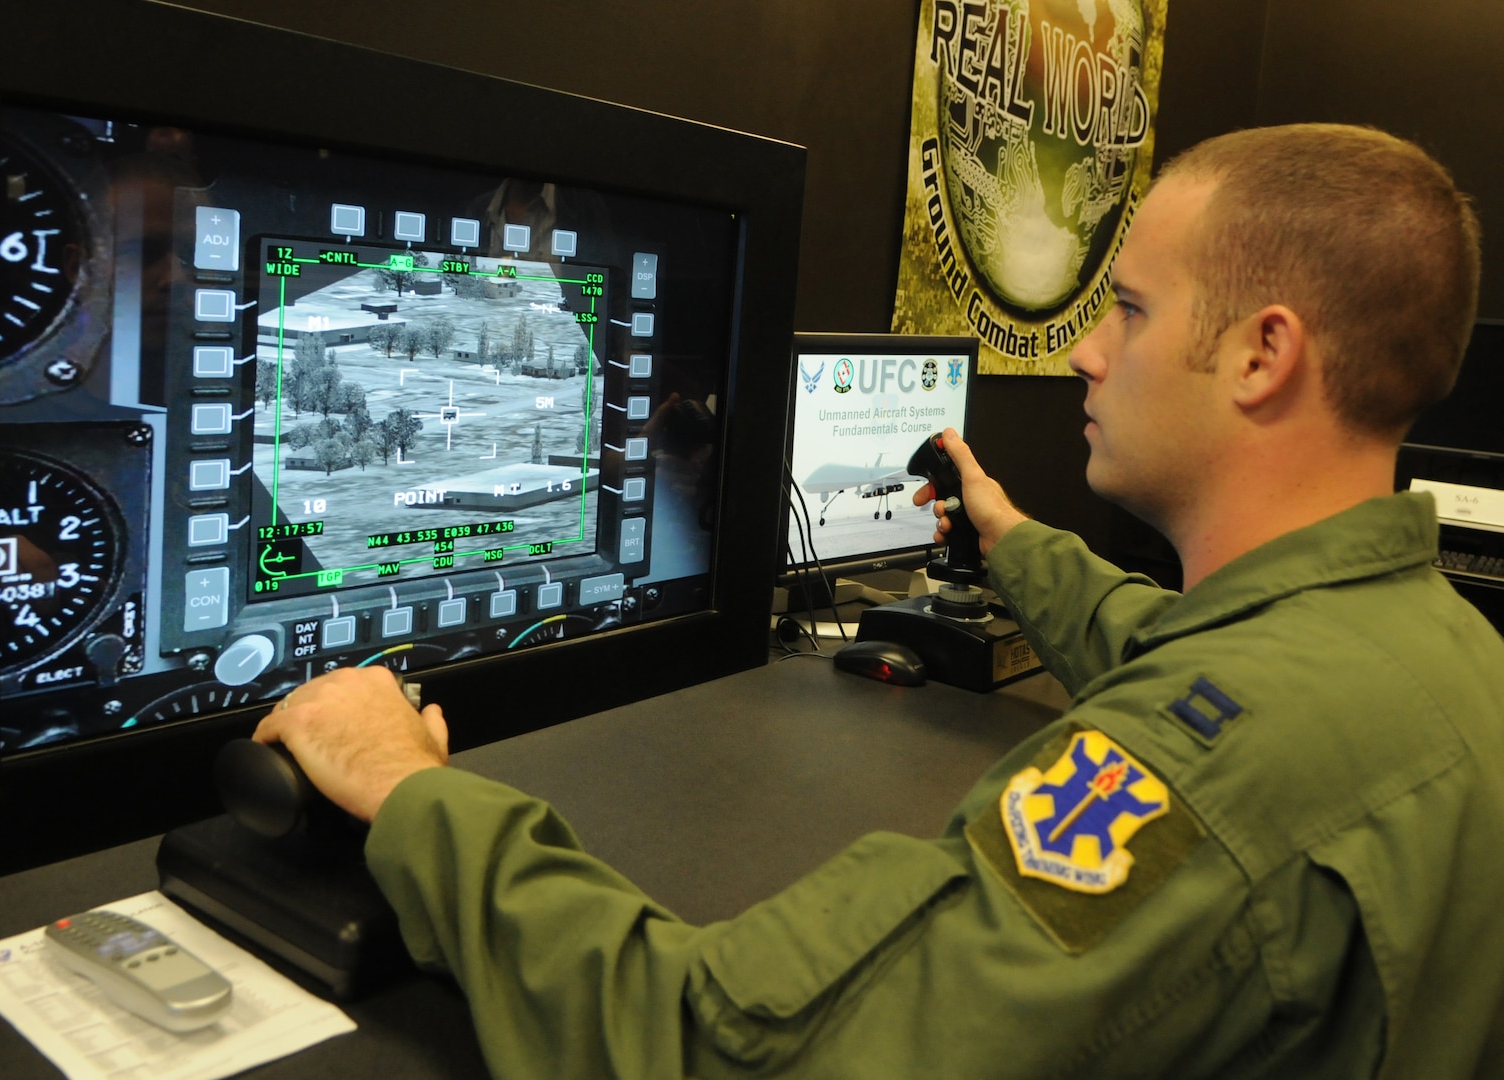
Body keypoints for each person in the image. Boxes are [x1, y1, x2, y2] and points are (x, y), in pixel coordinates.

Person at [255, 125, 1504, 1077]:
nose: (1086, 352)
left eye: (1128, 309)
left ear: (1261, 354)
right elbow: (1169, 647)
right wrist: (1010, 538)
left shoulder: (1201, 774)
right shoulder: (1428, 645)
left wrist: (408, 793)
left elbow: (725, 1049)